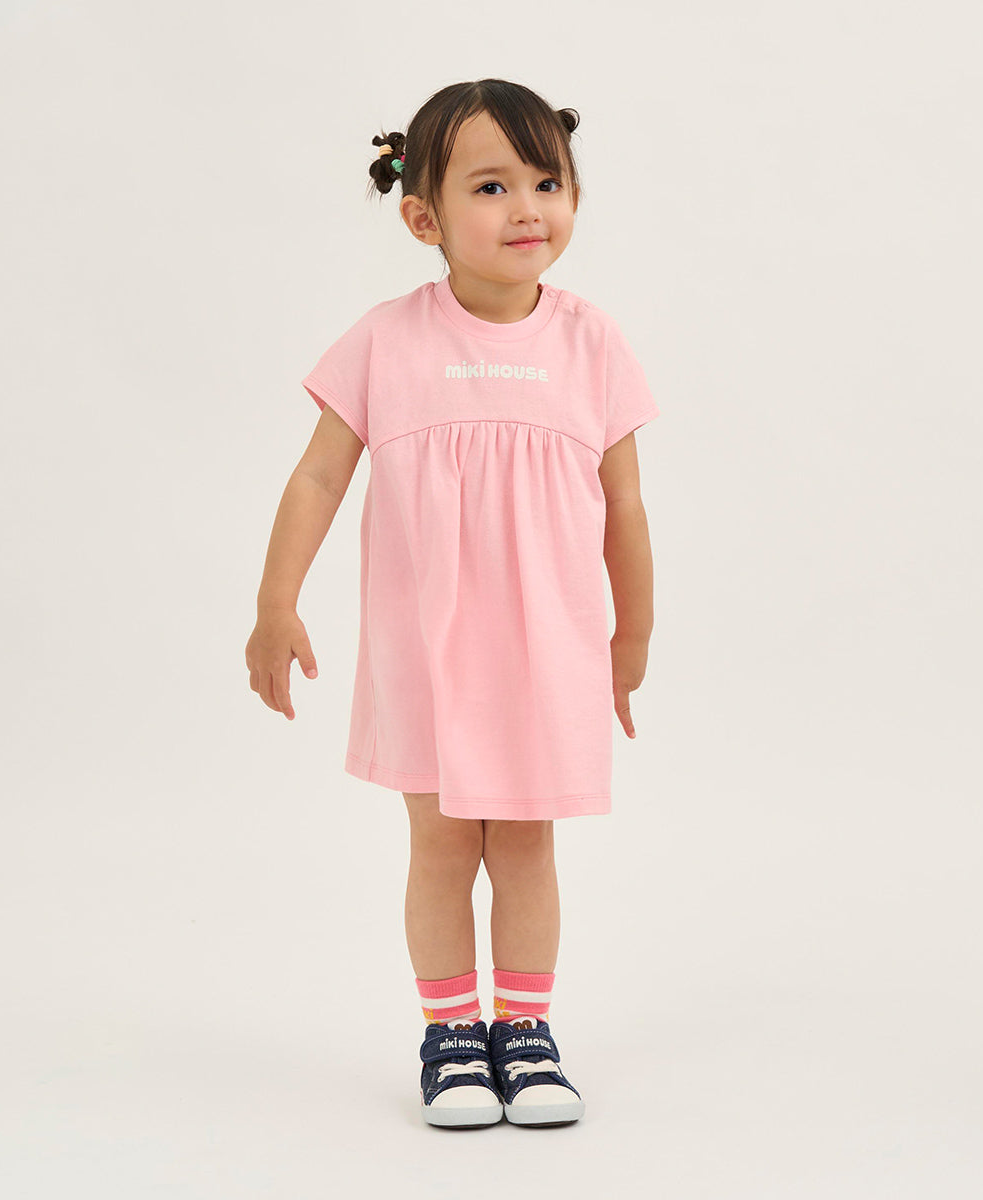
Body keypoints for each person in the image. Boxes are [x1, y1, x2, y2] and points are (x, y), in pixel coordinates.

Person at [245, 78, 659, 1128]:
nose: (527, 208)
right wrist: (276, 602)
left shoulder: (592, 344)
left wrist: (632, 634)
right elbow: (318, 477)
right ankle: (450, 1036)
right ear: (423, 217)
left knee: (523, 846)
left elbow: (624, 503)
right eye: (491, 186)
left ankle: (524, 1031)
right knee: (439, 845)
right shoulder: (387, 341)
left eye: (547, 183)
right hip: (424, 651)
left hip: (546, 653)